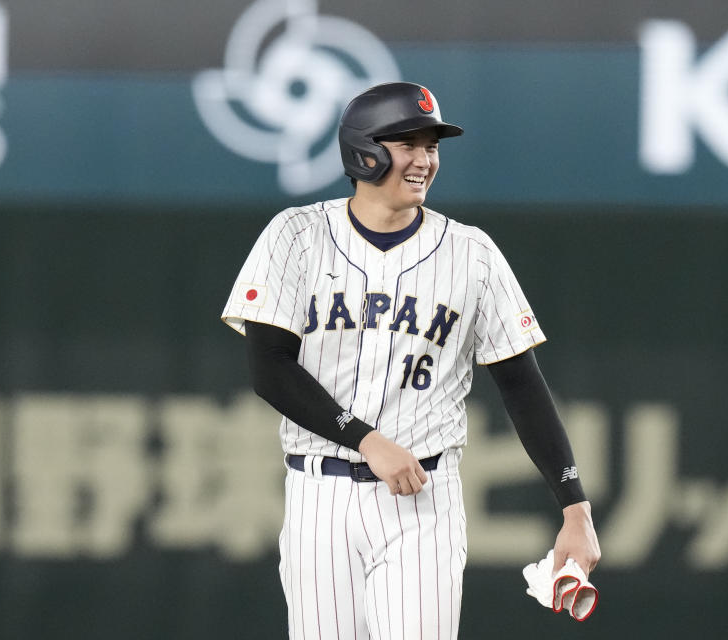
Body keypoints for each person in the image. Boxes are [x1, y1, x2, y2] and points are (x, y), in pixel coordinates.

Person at [221, 81, 600, 640]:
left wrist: (576, 509)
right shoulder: (296, 236)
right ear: (363, 151)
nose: (424, 160)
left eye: (432, 146)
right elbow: (270, 367)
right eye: (408, 144)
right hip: (318, 497)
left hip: (423, 501)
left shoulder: (471, 253)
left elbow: (521, 385)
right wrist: (365, 439)